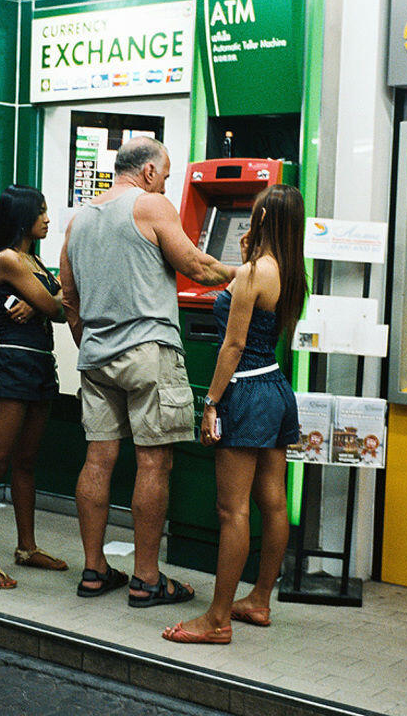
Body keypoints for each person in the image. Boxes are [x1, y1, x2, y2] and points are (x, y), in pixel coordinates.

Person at [59, 137, 237, 605]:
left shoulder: (79, 221)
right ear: (151, 172)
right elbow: (196, 265)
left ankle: (94, 571)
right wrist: (248, 274)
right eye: (168, 174)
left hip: (96, 355)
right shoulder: (151, 205)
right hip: (148, 351)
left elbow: (68, 297)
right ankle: (146, 579)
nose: (168, 183)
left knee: (97, 460)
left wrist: (91, 343)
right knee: (154, 462)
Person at [162, 184, 307, 643]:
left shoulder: (251, 274)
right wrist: (242, 260)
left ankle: (217, 618)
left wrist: (211, 402)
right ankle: (259, 600)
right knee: (274, 501)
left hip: (244, 391)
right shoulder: (290, 272)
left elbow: (233, 345)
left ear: (262, 220)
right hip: (276, 388)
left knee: (232, 509)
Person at [0, 184, 68, 589]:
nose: (47, 218)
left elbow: (61, 299)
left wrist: (49, 296)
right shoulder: (9, 259)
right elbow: (59, 307)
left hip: (38, 365)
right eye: (41, 211)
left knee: (26, 462)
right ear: (22, 216)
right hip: (12, 365)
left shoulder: (32, 261)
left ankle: (26, 548)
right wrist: (47, 297)